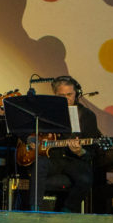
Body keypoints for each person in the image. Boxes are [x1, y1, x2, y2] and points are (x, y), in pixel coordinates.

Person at [25, 75, 102, 213]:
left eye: (69, 94)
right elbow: (28, 131)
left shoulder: (87, 115)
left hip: (74, 160)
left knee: (85, 179)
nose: (66, 98)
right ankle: (34, 210)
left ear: (76, 94)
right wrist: (30, 139)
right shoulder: (46, 113)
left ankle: (67, 212)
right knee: (39, 164)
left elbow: (92, 151)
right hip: (52, 158)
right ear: (55, 95)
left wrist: (80, 151)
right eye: (62, 95)